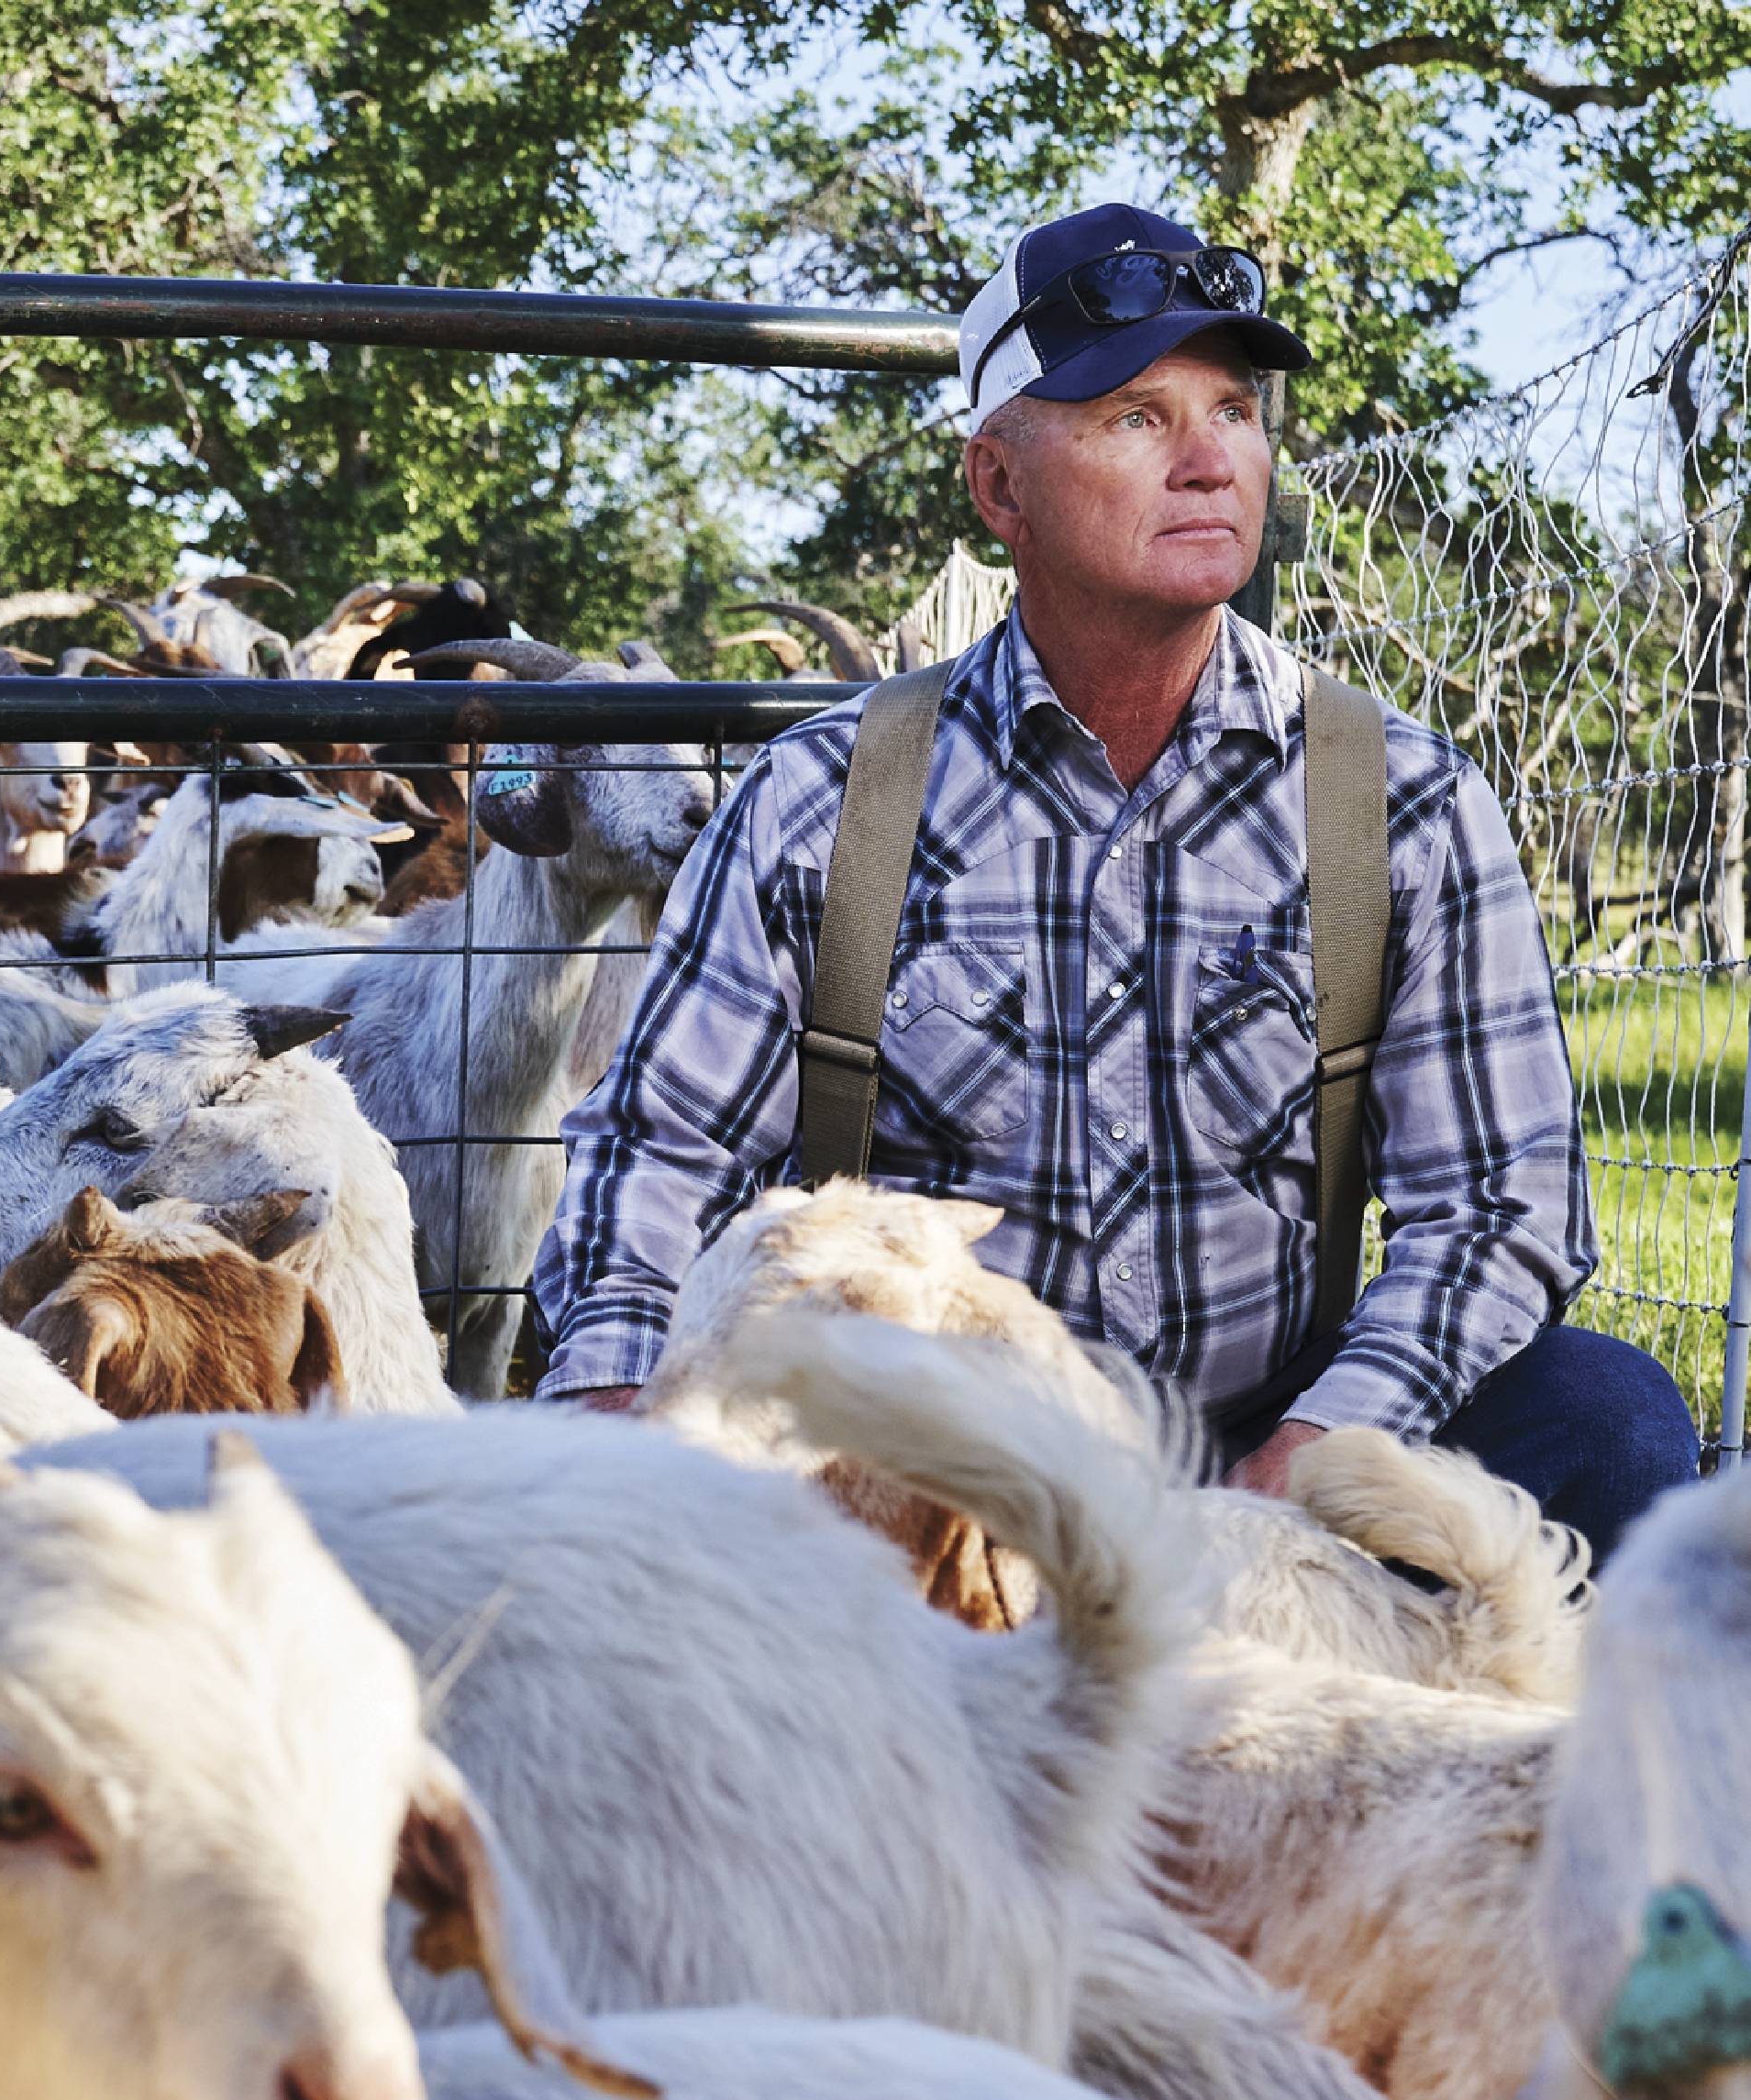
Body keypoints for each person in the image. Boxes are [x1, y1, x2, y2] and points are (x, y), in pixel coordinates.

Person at [529, 202, 1696, 1560]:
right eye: (1136, 416)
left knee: (1607, 1420)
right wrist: (620, 1407)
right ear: (1000, 487)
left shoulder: (1405, 805)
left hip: (1288, 1425)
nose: (1210, 458)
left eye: (1236, 408)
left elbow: (1501, 1203)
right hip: (942, 1460)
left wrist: (1319, 1445)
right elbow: (654, 1153)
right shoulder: (822, 803)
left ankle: (1575, 1772)